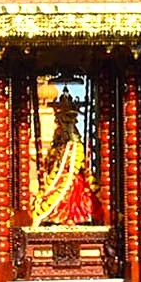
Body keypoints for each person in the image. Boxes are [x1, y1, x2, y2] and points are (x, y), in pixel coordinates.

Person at [30, 88, 99, 227]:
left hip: (72, 180)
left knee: (73, 194)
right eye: (62, 123)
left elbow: (76, 165)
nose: (63, 128)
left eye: (67, 124)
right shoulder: (59, 145)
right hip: (57, 179)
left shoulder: (76, 145)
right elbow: (52, 165)